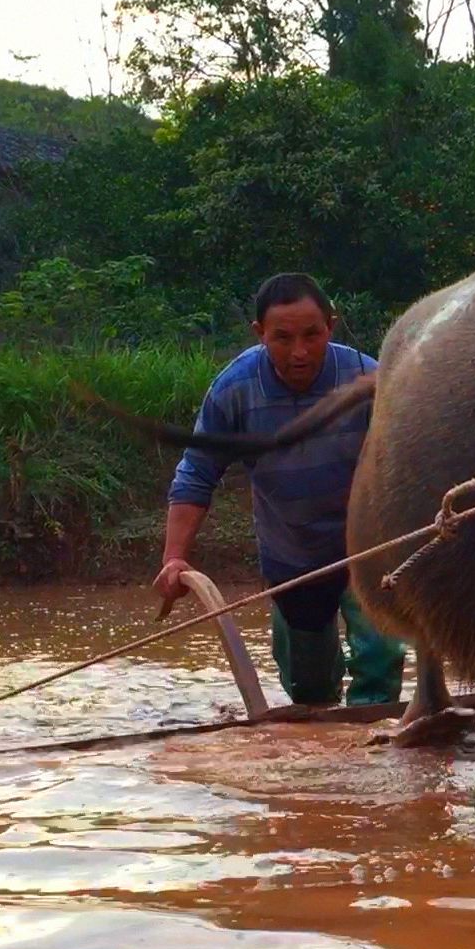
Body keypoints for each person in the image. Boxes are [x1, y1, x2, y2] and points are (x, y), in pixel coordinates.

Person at [155, 272, 406, 707]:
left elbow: (409, 461)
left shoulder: (370, 381)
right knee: (308, 691)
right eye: (282, 338)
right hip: (293, 554)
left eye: (313, 335)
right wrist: (174, 557)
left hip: (367, 548)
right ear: (260, 334)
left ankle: (375, 757)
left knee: (379, 672)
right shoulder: (234, 389)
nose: (300, 352)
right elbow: (197, 472)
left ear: (331, 324)